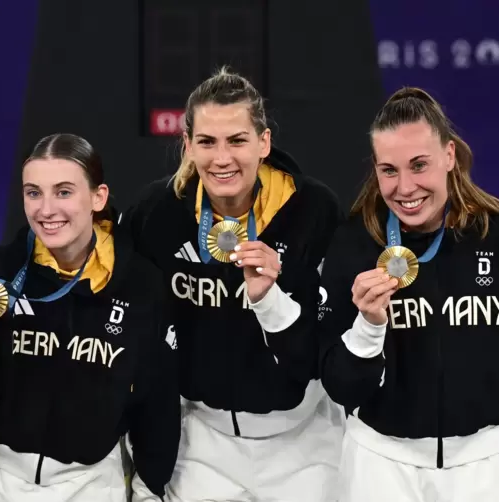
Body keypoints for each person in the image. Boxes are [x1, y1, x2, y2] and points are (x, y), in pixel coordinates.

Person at [122, 67, 344, 501]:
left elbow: (327, 339)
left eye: (237, 140)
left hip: (303, 444)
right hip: (200, 442)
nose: (222, 159)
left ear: (264, 142)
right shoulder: (156, 214)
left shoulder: (314, 211)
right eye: (206, 142)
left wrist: (272, 299)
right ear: (187, 145)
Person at [0, 133, 180, 502]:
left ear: (98, 197)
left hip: (89, 485)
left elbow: (156, 406)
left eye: (63, 192)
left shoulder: (141, 286)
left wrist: (149, 491)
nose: (46, 209)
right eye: (33, 193)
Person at [319, 86, 499, 501]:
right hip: (381, 465)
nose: (405, 187)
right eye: (389, 170)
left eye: (419, 165)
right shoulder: (354, 245)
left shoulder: (493, 235)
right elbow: (341, 389)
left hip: (484, 465)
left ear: (449, 156)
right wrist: (368, 325)